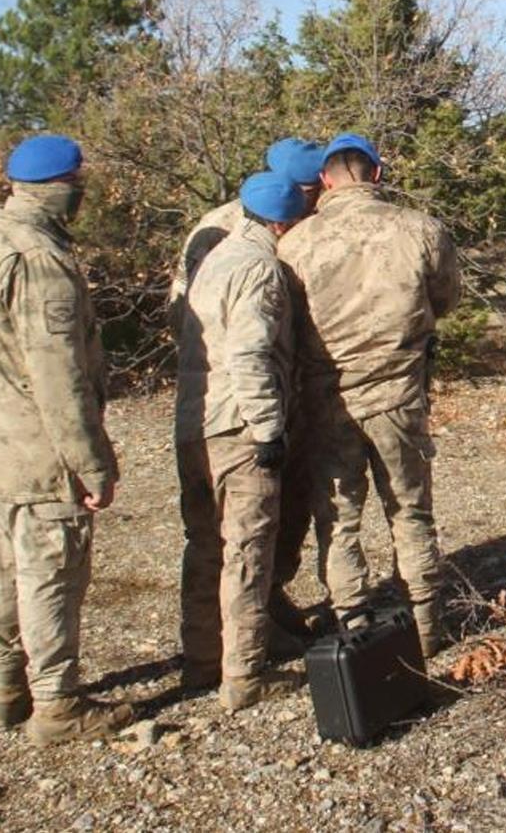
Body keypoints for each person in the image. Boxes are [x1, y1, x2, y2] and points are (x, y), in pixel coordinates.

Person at [0, 134, 133, 746]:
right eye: (80, 181)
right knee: (51, 571)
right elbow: (58, 376)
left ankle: (5, 687)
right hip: (38, 452)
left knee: (4, 565)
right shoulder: (39, 260)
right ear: (63, 187)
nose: (83, 192)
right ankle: (57, 704)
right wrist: (91, 461)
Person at [278, 133, 461, 656]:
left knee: (338, 521)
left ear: (325, 181)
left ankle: (354, 629)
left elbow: (283, 325)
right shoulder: (421, 230)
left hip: (327, 399)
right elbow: (445, 298)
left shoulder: (294, 244)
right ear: (376, 175)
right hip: (400, 396)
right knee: (410, 511)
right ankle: (426, 629)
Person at [174, 169, 309, 711]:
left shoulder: (213, 260)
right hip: (237, 427)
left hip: (194, 423)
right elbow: (250, 353)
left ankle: (201, 660)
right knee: (248, 551)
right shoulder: (260, 269)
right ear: (283, 222)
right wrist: (268, 428)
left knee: (204, 545)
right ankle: (246, 675)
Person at [168, 138, 325, 329]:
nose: (317, 198)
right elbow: (183, 303)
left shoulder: (311, 221)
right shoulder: (219, 226)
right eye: (312, 192)